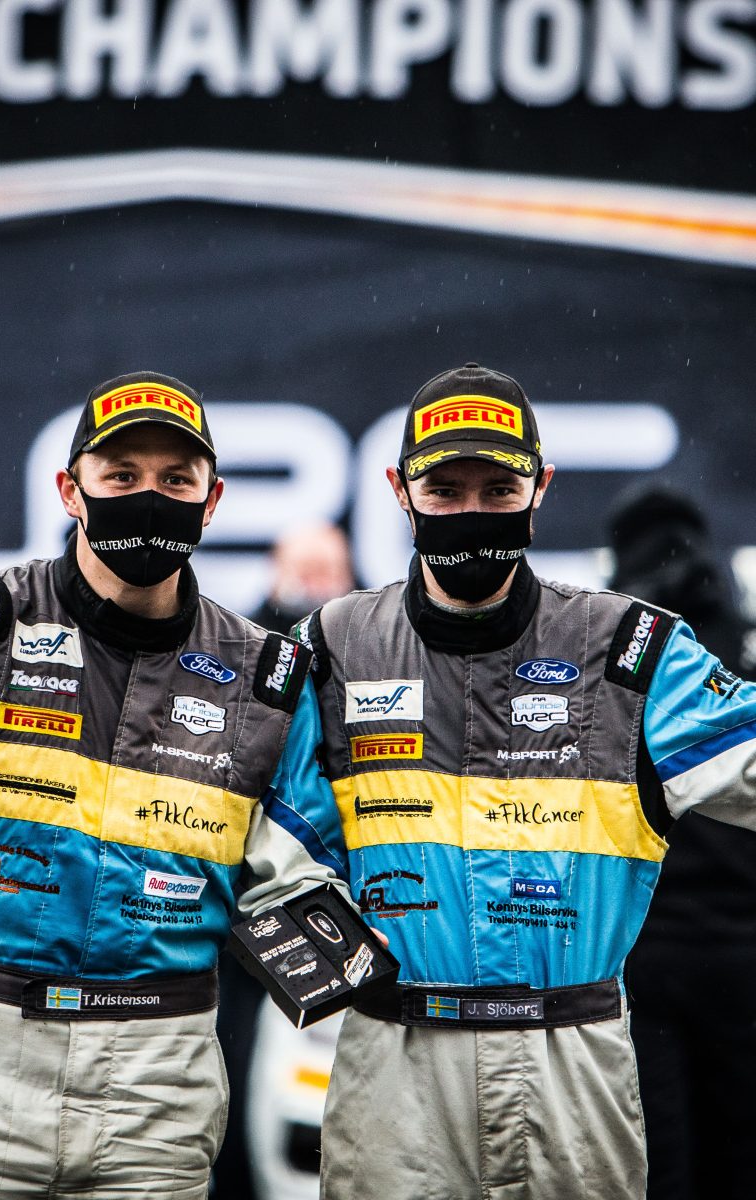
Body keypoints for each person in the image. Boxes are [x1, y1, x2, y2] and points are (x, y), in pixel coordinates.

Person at [290, 361, 756, 1200]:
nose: (472, 512)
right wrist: (317, 950)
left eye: (498, 489)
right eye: (446, 490)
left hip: (571, 1057)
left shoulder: (629, 648)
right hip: (395, 1062)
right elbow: (245, 820)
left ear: (540, 488)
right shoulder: (334, 644)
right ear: (399, 489)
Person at [0, 371, 348, 1200]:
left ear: (212, 501)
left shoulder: (267, 680)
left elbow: (312, 882)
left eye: (175, 480)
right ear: (68, 489)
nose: (149, 496)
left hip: (153, 1091)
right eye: (121, 476)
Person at [607, 484, 756, 1200]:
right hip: (743, 947)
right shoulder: (740, 642)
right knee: (742, 1158)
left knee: (657, 1165)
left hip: (644, 950)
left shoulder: (613, 654)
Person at [213, 520, 357, 1200]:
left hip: (346, 904)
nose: (312, 583)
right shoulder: (243, 656)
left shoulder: (369, 656)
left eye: (326, 569)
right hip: (248, 914)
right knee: (240, 1070)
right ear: (274, 569)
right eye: (302, 567)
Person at [248, 522, 356, 633]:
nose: (316, 585)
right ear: (277, 571)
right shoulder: (247, 638)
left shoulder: (362, 635)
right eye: (306, 573)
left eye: (325, 572)